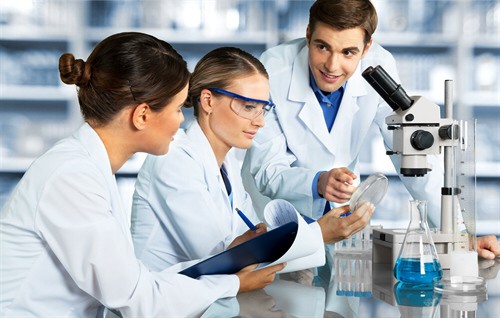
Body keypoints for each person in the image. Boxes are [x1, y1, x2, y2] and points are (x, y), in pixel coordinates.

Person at [0, 32, 286, 318]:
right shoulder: (72, 177)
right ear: (142, 115)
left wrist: (226, 278)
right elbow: (137, 299)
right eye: (177, 109)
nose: (180, 121)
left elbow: (135, 281)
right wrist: (232, 283)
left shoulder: (86, 167)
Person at [242, 0, 500, 259]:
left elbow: (413, 154)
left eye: (348, 53)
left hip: (345, 221)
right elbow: (268, 171)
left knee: (343, 294)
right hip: (283, 223)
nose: (332, 66)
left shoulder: (378, 67)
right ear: (308, 34)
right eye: (323, 47)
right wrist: (317, 181)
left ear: (367, 48)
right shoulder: (273, 70)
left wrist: (458, 236)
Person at [131, 46, 375, 271]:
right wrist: (319, 234)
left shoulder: (228, 166)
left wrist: (307, 230)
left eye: (263, 109)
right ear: (208, 101)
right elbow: (221, 258)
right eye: (249, 107)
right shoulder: (174, 160)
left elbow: (252, 238)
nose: (259, 122)